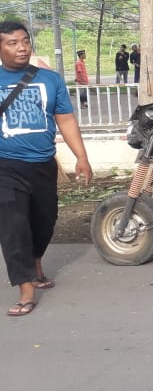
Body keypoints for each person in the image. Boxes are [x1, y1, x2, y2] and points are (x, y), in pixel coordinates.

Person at [0, 21, 93, 317]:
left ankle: (35, 259)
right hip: (5, 166)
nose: (22, 47)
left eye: (25, 41)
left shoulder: (50, 80)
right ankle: (26, 288)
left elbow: (65, 120)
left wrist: (82, 157)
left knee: (46, 219)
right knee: (13, 226)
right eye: (12, 42)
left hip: (42, 164)